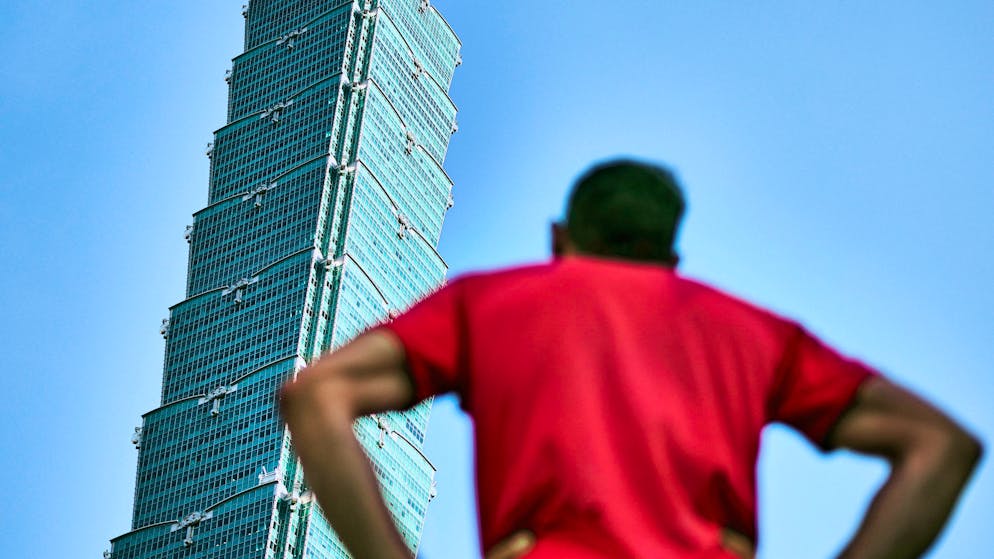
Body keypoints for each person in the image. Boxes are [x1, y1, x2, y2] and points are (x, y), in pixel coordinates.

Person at [280, 159, 982, 559]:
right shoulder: (757, 334)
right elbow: (940, 445)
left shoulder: (491, 304)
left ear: (560, 237)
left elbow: (317, 395)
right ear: (671, 257)